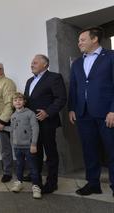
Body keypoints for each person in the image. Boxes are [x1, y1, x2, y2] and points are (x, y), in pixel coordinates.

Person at [68, 27, 114, 196]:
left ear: (94, 39)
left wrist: (113, 110)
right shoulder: (77, 63)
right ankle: (93, 183)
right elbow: (73, 87)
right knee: (89, 150)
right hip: (83, 113)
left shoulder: (110, 57)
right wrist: (71, 108)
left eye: (82, 39)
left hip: (106, 114)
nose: (79, 43)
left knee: (112, 150)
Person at [24, 54, 67, 193]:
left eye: (35, 62)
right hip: (32, 124)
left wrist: (47, 112)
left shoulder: (54, 77)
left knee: (50, 154)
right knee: (35, 152)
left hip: (47, 122)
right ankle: (36, 178)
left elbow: (61, 99)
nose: (32, 64)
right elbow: (27, 101)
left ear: (45, 64)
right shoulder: (29, 81)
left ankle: (52, 182)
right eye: (32, 62)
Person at [9, 92, 41, 199]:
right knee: (19, 165)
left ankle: (36, 186)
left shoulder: (30, 113)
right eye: (15, 100)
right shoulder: (13, 116)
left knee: (33, 167)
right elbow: (12, 129)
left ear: (24, 101)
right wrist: (2, 128)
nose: (18, 101)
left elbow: (35, 128)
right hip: (17, 146)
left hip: (28, 146)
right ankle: (19, 182)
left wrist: (33, 144)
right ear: (12, 103)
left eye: (20, 99)